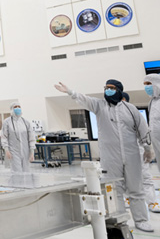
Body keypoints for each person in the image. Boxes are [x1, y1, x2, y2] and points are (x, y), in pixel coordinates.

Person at [55, 80, 154, 232]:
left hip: (132, 154)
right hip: (110, 156)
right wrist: (69, 91)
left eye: (112, 88)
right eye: (106, 88)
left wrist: (147, 148)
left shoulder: (130, 109)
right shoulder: (99, 106)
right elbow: (84, 99)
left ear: (119, 90)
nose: (108, 90)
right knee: (115, 189)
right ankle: (120, 219)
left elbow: (143, 128)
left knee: (136, 189)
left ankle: (141, 220)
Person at [123, 92, 160, 213]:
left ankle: (152, 202)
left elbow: (144, 133)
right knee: (125, 177)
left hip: (138, 151)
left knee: (145, 176)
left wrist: (148, 149)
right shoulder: (112, 116)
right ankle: (127, 199)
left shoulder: (135, 114)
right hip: (121, 152)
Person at [1, 102, 35, 173]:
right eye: (15, 107)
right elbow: (4, 137)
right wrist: (6, 150)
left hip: (25, 152)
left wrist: (32, 152)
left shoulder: (26, 122)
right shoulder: (7, 122)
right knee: (16, 172)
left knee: (26, 172)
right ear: (12, 109)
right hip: (13, 151)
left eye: (19, 107)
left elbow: (31, 138)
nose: (17, 108)